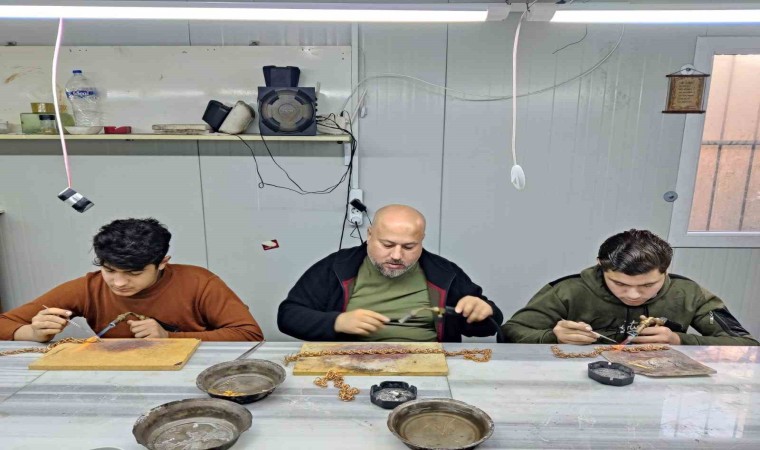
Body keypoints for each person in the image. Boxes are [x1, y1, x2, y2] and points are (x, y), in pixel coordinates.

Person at [0, 218, 263, 342]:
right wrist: (32, 333)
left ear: (162, 263)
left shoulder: (200, 282)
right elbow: (5, 323)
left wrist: (170, 337)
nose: (118, 283)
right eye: (109, 270)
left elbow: (249, 334)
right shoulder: (89, 288)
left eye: (134, 273)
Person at [278, 204, 503, 342]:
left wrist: (484, 311)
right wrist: (336, 322)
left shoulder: (444, 273)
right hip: (349, 363)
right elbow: (288, 316)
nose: (396, 255)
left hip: (429, 365)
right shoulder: (337, 267)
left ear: (422, 241)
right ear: (369, 235)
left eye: (409, 247)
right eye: (387, 245)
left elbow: (488, 326)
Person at [503, 229, 758, 346]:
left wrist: (679, 339)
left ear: (665, 270)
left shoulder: (689, 294)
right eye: (619, 283)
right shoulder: (567, 291)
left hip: (661, 389)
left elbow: (746, 345)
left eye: (648, 285)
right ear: (601, 266)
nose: (633, 295)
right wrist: (554, 336)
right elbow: (510, 333)